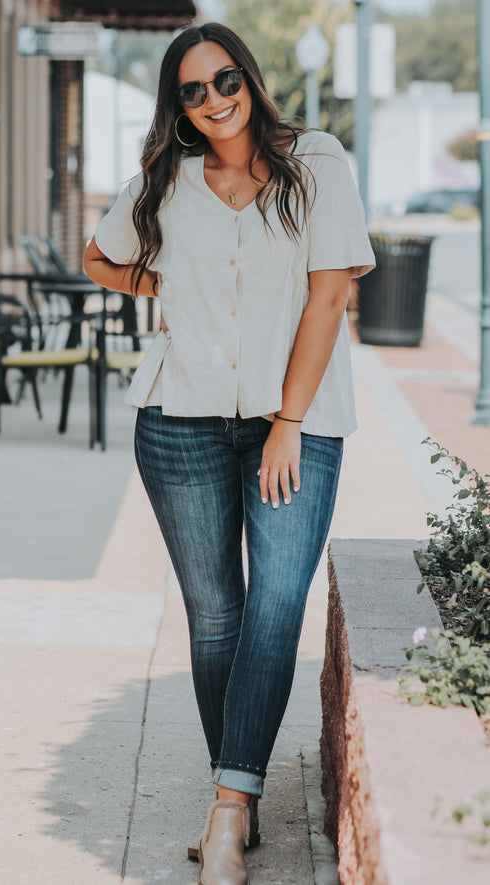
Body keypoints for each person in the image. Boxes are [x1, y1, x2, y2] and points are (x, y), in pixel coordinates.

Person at [84, 22, 374, 885]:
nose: (214, 100)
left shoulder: (314, 161)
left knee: (276, 603)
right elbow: (99, 256)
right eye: (193, 91)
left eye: (225, 81)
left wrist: (288, 421)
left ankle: (225, 809)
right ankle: (235, 801)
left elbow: (327, 300)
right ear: (177, 106)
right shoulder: (168, 181)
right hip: (181, 419)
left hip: (301, 422)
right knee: (215, 613)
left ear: (249, 77)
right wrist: (166, 281)